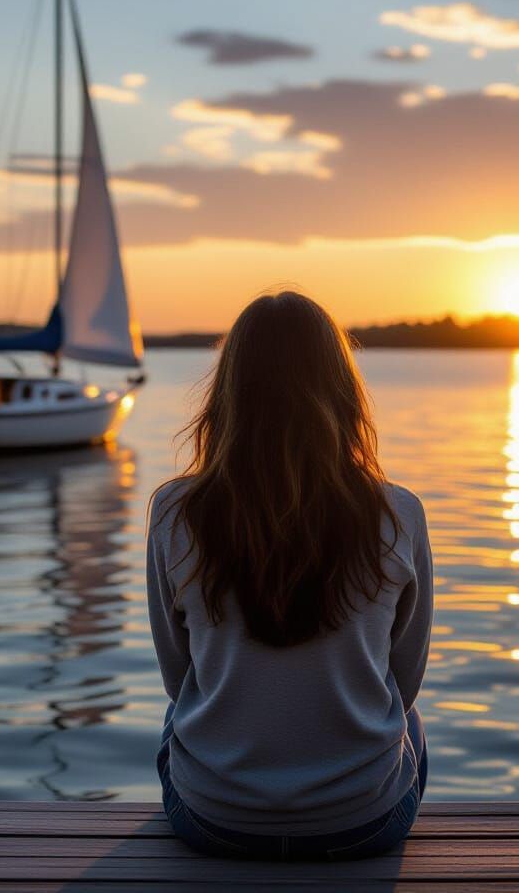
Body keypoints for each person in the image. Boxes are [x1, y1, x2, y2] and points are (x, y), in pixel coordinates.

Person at [146, 290, 434, 861]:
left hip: (213, 821)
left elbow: (179, 677)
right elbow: (404, 679)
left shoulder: (175, 512)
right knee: (410, 721)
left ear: (228, 392)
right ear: (341, 390)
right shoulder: (398, 513)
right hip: (362, 824)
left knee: (182, 713)